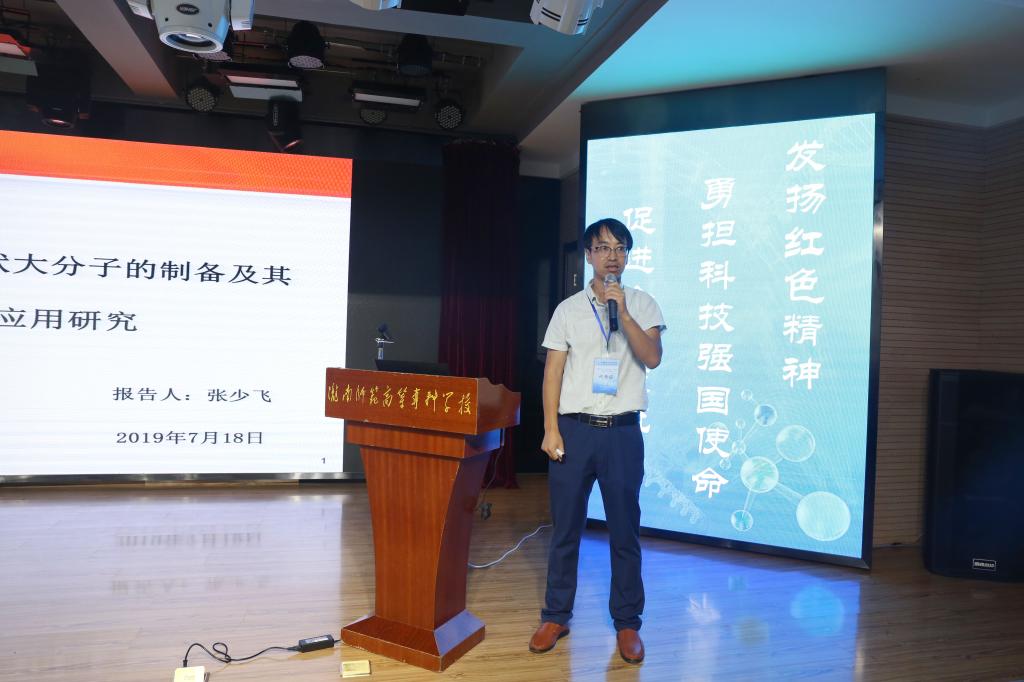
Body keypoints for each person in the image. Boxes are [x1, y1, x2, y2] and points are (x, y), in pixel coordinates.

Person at [529, 218, 666, 664]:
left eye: (620, 248)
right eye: (603, 247)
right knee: (565, 529)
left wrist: (622, 313)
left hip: (623, 434)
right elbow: (553, 373)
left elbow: (652, 357)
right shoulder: (568, 310)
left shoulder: (642, 304)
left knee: (625, 532)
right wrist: (550, 428)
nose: (612, 256)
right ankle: (556, 616)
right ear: (588, 254)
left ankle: (627, 623)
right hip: (575, 431)